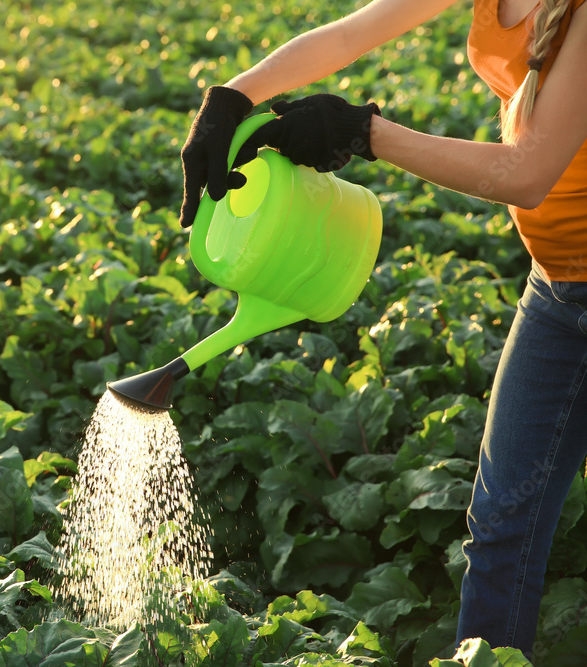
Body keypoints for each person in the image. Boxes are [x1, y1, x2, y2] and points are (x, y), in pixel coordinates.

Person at [178, 0, 587, 659]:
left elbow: (528, 173)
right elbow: (352, 32)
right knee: (503, 520)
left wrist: (365, 133)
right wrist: (233, 95)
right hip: (558, 285)